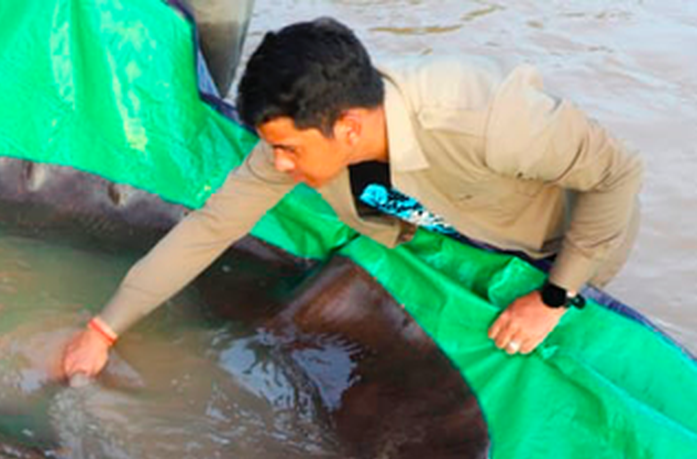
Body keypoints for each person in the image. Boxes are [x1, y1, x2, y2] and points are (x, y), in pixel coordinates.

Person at [60, 17, 642, 379]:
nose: (278, 165)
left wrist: (556, 296)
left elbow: (617, 174)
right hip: (447, 238)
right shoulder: (302, 133)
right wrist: (105, 328)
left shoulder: (482, 115)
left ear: (349, 129)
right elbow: (211, 226)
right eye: (272, 147)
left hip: (557, 247)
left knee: (556, 367)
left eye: (288, 149)